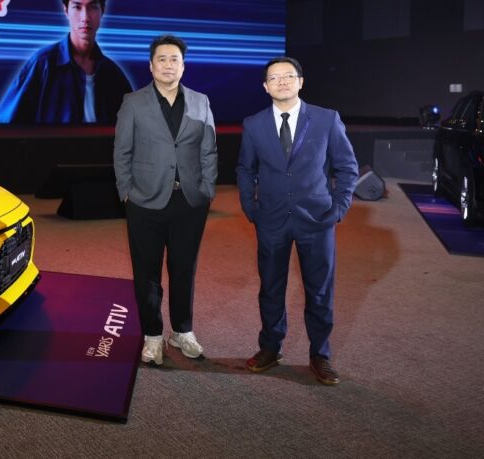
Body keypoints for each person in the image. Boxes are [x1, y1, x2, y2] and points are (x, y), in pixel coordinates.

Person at [236, 56, 358, 385]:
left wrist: (339, 207)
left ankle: (320, 354)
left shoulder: (327, 119)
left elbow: (347, 167)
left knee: (319, 291)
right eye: (274, 78)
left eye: (288, 76)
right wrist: (250, 206)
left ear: (301, 81)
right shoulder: (254, 124)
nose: (282, 82)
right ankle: (270, 347)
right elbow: (246, 168)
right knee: (271, 287)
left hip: (317, 219)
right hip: (271, 219)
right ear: (265, 87)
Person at [113, 34, 217, 366]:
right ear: (151, 65)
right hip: (144, 200)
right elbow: (122, 151)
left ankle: (182, 331)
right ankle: (153, 335)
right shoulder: (133, 102)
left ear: (183, 66)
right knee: (147, 272)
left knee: (184, 268)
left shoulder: (201, 101)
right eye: (162, 59)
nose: (168, 65)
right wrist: (126, 191)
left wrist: (207, 190)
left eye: (175, 59)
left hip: (190, 201)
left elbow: (209, 150)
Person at [0, 0, 132, 124]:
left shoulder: (113, 75)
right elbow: (2, 126)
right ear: (66, 10)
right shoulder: (43, 65)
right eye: (77, 7)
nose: (85, 17)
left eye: (92, 7)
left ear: (102, 11)